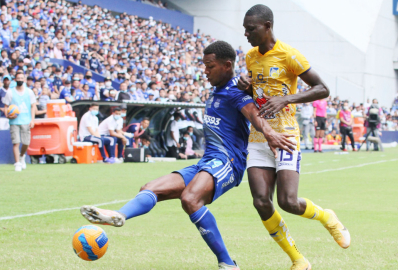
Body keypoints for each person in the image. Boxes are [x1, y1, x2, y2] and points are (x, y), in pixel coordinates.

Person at [79, 41, 295, 270]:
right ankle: (119, 215)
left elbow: (253, 115)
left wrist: (270, 134)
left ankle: (227, 263)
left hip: (228, 162)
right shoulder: (218, 88)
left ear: (226, 65)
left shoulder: (234, 90)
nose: (205, 71)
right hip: (207, 162)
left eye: (209, 66)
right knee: (150, 188)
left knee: (190, 199)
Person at [238, 5, 349, 270]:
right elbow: (259, 92)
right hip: (259, 135)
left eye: (250, 29)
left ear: (267, 26)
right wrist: (248, 87)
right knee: (260, 201)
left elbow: (322, 89)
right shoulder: (250, 56)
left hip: (286, 135)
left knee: (287, 202)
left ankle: (327, 217)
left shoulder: (290, 55)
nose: (246, 34)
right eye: (244, 28)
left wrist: (287, 98)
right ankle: (298, 259)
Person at [3, 71, 36, 172]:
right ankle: (17, 163)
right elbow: (5, 106)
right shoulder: (10, 92)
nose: (20, 80)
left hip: (26, 120)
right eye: (18, 78)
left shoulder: (29, 92)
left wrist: (32, 119)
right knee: (16, 142)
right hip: (14, 121)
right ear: (15, 79)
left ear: (24, 80)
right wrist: (7, 115)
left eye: (22, 78)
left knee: (26, 142)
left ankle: (22, 156)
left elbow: (33, 106)